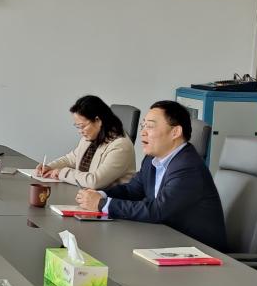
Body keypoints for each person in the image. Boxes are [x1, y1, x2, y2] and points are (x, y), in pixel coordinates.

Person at [76, 99, 227, 251]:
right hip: (166, 240)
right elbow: (132, 190)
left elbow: (158, 211)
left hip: (199, 252)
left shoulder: (188, 167)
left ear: (175, 132)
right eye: (143, 125)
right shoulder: (152, 159)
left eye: (150, 126)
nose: (143, 132)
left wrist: (103, 204)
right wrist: (99, 194)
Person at [35, 95, 135, 189]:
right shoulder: (91, 136)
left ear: (98, 121)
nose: (80, 131)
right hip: (84, 193)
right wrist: (49, 167)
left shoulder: (121, 146)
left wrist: (61, 173)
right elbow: (71, 159)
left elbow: (95, 181)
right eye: (78, 126)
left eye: (82, 126)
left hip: (108, 199)